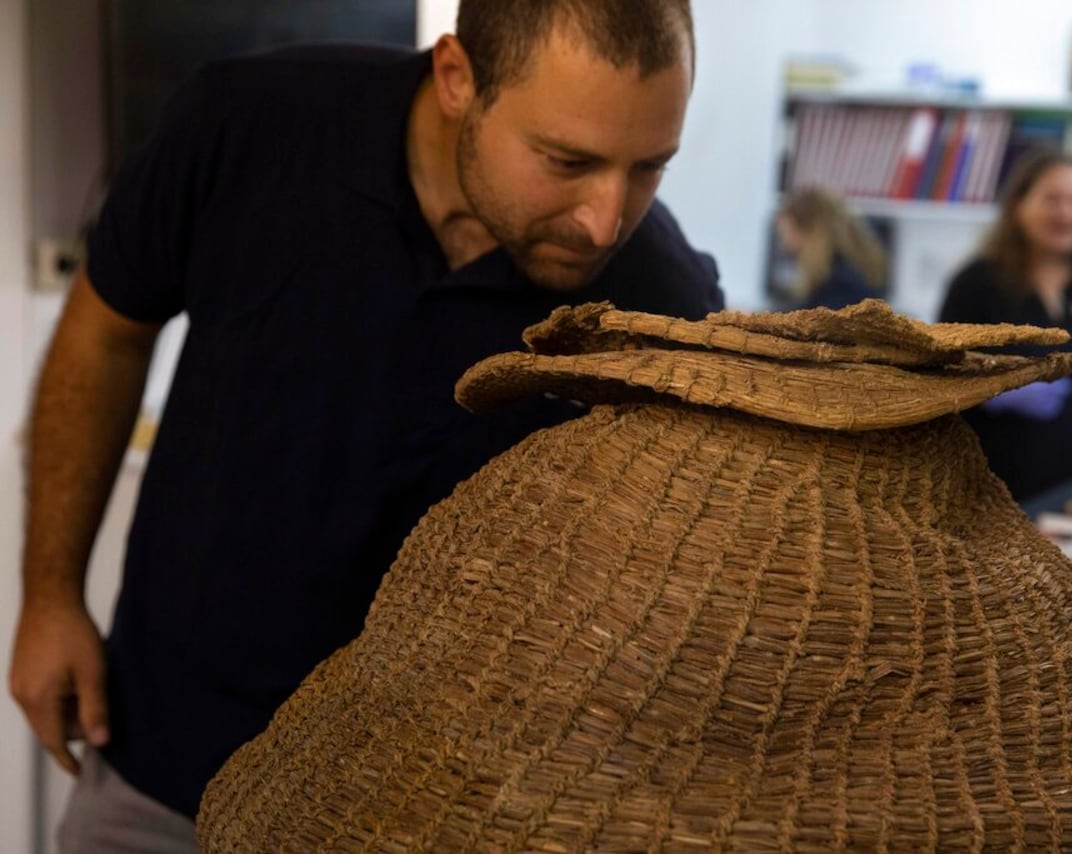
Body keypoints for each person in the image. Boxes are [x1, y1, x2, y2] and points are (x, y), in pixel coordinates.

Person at [9, 1, 723, 849]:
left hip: (429, 815)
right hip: (163, 767)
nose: (605, 218)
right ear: (457, 78)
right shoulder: (246, 124)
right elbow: (107, 332)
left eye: (649, 168)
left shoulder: (657, 298)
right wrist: (51, 592)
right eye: (566, 161)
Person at [937, 148, 1072, 501]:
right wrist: (994, 395)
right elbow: (935, 384)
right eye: (1052, 199)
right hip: (993, 489)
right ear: (1019, 204)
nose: (1067, 214)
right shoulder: (978, 283)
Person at [771, 186, 887, 310]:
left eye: (788, 234)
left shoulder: (842, 289)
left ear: (811, 231)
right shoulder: (849, 276)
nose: (785, 245)